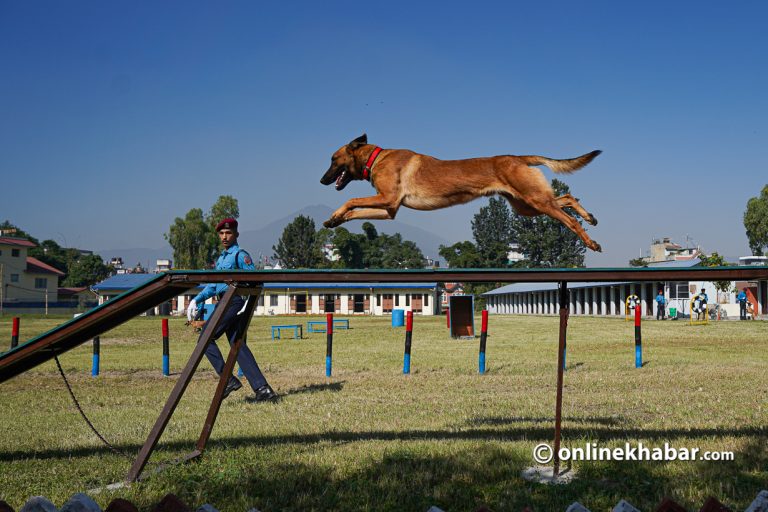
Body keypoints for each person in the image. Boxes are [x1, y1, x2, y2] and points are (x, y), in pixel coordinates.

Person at [187, 218, 278, 403]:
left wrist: (245, 296)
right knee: (237, 344)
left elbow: (255, 278)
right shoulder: (222, 259)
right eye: (221, 233)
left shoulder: (240, 256)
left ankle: (227, 378)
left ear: (236, 234)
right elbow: (213, 286)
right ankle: (263, 389)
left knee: (205, 338)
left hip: (233, 301)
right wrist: (196, 300)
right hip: (224, 300)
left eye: (228, 233)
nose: (224, 236)